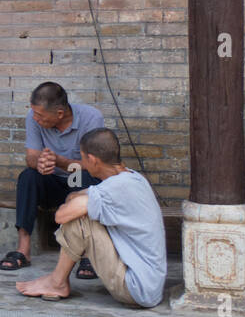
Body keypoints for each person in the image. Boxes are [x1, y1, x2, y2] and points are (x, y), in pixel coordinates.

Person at [17, 128, 166, 307]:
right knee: (83, 210)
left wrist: (76, 205)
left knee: (79, 219)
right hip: (148, 287)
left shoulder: (115, 189)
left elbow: (61, 216)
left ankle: (57, 283)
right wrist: (77, 202)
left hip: (135, 288)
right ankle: (57, 281)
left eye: (83, 159)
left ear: (93, 160)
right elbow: (76, 197)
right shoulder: (133, 178)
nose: (83, 165)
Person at [0, 81, 105, 274]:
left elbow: (94, 166)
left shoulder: (91, 118)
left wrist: (60, 162)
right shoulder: (34, 116)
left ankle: (88, 253)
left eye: (40, 115)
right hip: (53, 181)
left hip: (78, 182)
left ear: (60, 114)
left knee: (90, 180)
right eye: (34, 113)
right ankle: (23, 248)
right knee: (28, 177)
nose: (36, 118)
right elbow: (31, 155)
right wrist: (39, 163)